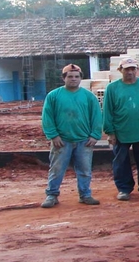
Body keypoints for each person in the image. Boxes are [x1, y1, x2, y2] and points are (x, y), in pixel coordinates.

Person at [40, 64, 103, 208]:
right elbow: (47, 117)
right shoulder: (53, 96)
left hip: (84, 140)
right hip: (62, 141)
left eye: (76, 77)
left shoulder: (89, 97)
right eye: (70, 76)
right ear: (64, 78)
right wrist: (53, 136)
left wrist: (94, 135)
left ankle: (85, 195)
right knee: (56, 169)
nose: (73, 79)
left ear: (81, 78)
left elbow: (97, 116)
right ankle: (52, 195)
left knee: (85, 170)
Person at [103, 57, 139, 201]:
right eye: (127, 69)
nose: (130, 72)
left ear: (137, 70)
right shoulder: (113, 88)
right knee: (121, 162)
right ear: (120, 70)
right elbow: (107, 111)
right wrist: (110, 132)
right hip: (121, 131)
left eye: (133, 69)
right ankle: (124, 189)